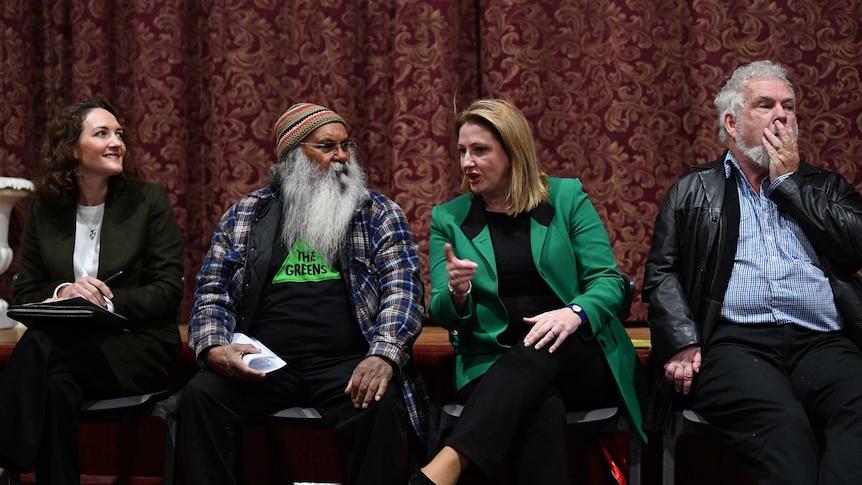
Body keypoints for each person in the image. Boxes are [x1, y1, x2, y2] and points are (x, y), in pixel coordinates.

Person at [180, 102, 432, 485]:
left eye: (346, 145)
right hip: (266, 365)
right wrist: (215, 348)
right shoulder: (246, 214)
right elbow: (212, 291)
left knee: (380, 405)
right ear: (293, 156)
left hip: (347, 364)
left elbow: (405, 291)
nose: (342, 157)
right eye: (327, 147)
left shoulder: (377, 212)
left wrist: (383, 355)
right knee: (202, 397)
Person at [643, 60, 862, 484]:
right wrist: (682, 341)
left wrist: (791, 184)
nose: (782, 116)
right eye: (765, 105)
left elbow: (854, 247)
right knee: (784, 431)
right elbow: (661, 272)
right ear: (731, 122)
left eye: (789, 106)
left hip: (822, 342)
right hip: (737, 345)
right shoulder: (693, 189)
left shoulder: (825, 186)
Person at [411, 99, 646, 485]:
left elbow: (609, 282)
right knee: (540, 407)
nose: (467, 162)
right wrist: (456, 292)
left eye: (480, 150)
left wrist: (573, 313)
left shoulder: (567, 199)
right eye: (462, 151)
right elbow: (442, 312)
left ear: (512, 150)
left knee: (543, 344)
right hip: (491, 362)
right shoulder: (448, 219)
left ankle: (445, 466)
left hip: (578, 355)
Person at [0, 99, 184, 484]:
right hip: (68, 353)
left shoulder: (147, 200)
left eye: (119, 134)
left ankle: (6, 458)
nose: (116, 141)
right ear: (71, 148)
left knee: (38, 345)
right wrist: (66, 291)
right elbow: (28, 289)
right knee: (55, 386)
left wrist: (103, 300)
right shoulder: (44, 210)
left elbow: (167, 290)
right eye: (102, 133)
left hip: (136, 344)